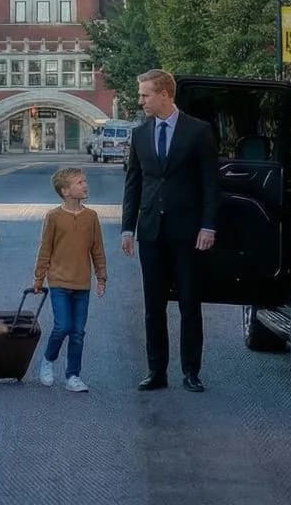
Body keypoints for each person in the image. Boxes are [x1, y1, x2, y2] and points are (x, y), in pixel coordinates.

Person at [121, 68, 220, 393]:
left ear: (164, 94)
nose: (141, 101)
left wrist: (208, 225)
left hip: (188, 232)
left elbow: (210, 183)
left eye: (145, 94)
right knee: (153, 306)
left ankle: (191, 371)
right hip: (151, 231)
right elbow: (133, 184)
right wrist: (127, 227)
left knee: (190, 303)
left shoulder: (198, 131)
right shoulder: (140, 134)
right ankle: (156, 371)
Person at [33, 167, 107, 393]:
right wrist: (39, 277)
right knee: (63, 326)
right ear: (65, 191)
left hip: (82, 283)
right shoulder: (54, 217)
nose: (85, 185)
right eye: (79, 182)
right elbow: (45, 248)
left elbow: (97, 249)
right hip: (59, 283)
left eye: (85, 181)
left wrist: (101, 276)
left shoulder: (91, 217)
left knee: (78, 332)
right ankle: (48, 359)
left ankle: (73, 375)